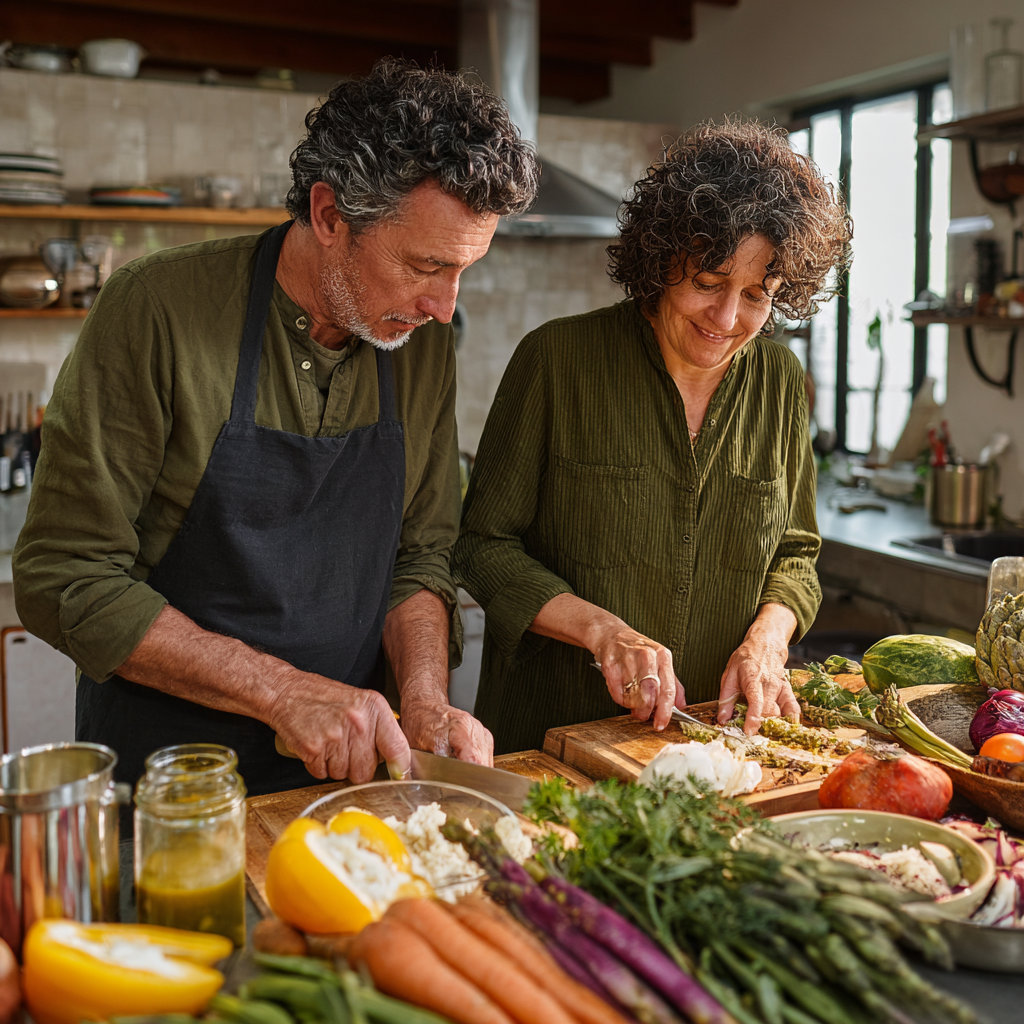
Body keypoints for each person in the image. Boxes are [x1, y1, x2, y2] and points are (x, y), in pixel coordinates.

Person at [13, 59, 539, 793]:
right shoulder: (157, 309)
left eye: (462, 271)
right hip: (175, 782)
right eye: (425, 266)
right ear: (329, 215)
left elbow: (419, 558)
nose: (444, 306)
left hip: (352, 775)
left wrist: (422, 698)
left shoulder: (421, 345)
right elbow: (63, 574)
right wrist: (282, 692)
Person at [453, 119, 852, 754]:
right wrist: (602, 631)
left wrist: (767, 640)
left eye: (756, 294)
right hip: (554, 739)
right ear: (661, 260)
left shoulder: (779, 381)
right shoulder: (557, 360)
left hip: (713, 746)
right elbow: (479, 547)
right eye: (707, 283)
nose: (726, 319)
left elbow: (796, 555)